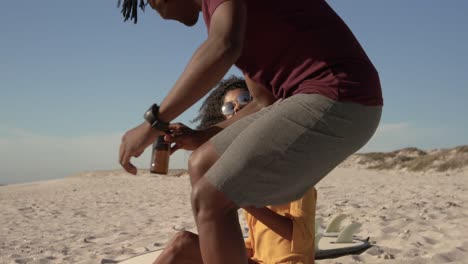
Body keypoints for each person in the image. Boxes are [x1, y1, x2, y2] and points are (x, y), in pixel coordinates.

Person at [117, 1, 383, 263]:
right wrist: (200, 136)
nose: (158, 11)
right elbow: (261, 101)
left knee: (210, 198)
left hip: (339, 95)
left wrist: (153, 122)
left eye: (151, 2)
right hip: (314, 98)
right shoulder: (230, 16)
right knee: (201, 163)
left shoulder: (224, 20)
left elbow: (222, 46)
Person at [153, 76, 318, 263]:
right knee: (184, 242)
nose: (237, 108)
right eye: (229, 108)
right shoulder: (247, 172)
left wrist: (238, 197)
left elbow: (301, 238)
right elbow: (256, 246)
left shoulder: (290, 165)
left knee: (182, 242)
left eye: (244, 100)